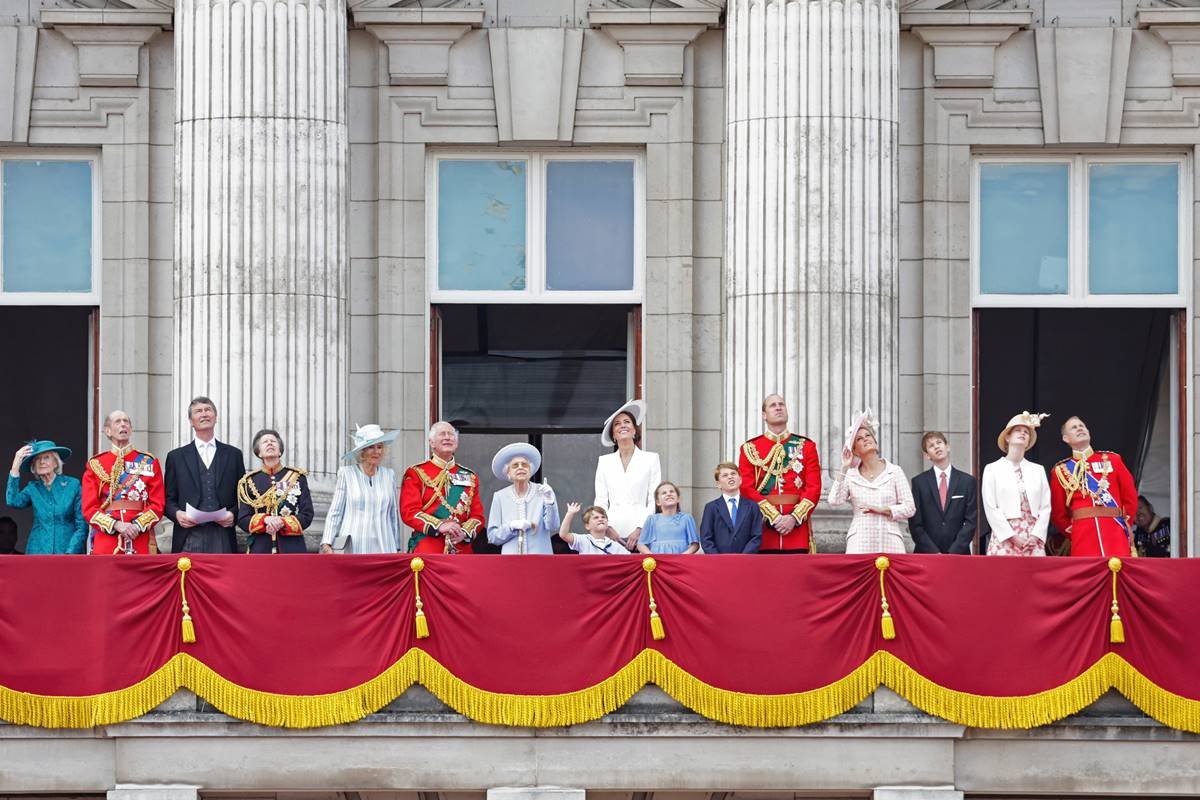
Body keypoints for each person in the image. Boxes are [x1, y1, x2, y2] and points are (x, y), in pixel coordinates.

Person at [738, 394, 822, 553]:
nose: (778, 407)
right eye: (773, 405)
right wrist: (774, 517)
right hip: (763, 531)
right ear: (764, 415)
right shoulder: (750, 448)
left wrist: (794, 518)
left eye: (781, 404)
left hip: (796, 531)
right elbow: (746, 489)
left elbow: (813, 488)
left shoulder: (806, 446)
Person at [164, 397, 246, 554]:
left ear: (215, 417)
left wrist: (233, 514)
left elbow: (243, 496)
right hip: (188, 535)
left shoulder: (233, 455)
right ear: (191, 421)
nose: (204, 414)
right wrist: (177, 514)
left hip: (222, 534)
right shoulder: (176, 457)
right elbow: (168, 498)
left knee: (224, 578)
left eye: (208, 410)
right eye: (198, 411)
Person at [828, 409, 915, 554]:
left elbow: (910, 507)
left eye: (868, 435)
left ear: (875, 441)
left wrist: (885, 510)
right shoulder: (851, 474)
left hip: (890, 541)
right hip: (860, 542)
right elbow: (834, 500)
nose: (865, 439)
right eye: (859, 439)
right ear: (855, 450)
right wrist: (844, 466)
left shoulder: (894, 471)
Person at [1049, 416, 1136, 558]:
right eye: (1074, 427)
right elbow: (1059, 514)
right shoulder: (1060, 470)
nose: (1079, 428)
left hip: (1115, 532)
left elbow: (1130, 497)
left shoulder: (1113, 460)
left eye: (1082, 425)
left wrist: (1123, 526)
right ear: (1066, 439)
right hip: (1083, 537)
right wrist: (1075, 532)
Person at [82, 410, 165, 554]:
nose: (123, 425)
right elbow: (89, 508)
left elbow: (158, 504)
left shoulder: (148, 461)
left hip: (139, 537)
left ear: (131, 430)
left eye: (126, 421)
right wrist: (116, 525)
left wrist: (136, 526)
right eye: (118, 422)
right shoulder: (96, 464)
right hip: (108, 541)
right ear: (108, 431)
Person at [400, 421, 485, 554]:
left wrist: (464, 532)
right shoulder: (416, 472)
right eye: (442, 434)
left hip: (461, 548)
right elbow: (409, 512)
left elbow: (477, 516)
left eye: (450, 434)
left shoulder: (470, 476)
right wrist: (440, 526)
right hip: (428, 547)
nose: (447, 437)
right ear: (432, 443)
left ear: (456, 444)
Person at [320, 424, 402, 554]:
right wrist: (327, 542)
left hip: (384, 545)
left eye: (380, 447)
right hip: (353, 546)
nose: (376, 451)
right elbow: (336, 511)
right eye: (371, 447)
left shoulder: (389, 475)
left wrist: (397, 546)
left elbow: (393, 514)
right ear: (362, 452)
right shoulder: (346, 474)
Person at [981, 412, 1051, 557]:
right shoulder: (992, 468)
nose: (1023, 433)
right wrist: (1012, 537)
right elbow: (991, 507)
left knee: (1034, 578)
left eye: (1026, 432)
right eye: (1018, 430)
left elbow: (1045, 507)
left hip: (1033, 536)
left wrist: (1035, 536)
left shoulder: (1038, 470)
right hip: (1005, 536)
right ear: (1007, 437)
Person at [594, 399, 661, 550]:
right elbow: (601, 500)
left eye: (627, 422)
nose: (622, 425)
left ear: (634, 430)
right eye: (617, 424)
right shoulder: (604, 462)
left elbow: (653, 499)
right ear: (613, 434)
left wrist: (640, 529)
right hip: (612, 530)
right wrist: (606, 527)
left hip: (642, 530)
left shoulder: (651, 459)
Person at [236, 429, 314, 554]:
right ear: (259, 453)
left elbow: (307, 514)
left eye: (273, 441)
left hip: (292, 548)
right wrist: (265, 520)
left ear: (280, 450)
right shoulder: (248, 482)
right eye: (265, 442)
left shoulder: (297, 477)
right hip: (261, 548)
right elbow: (243, 519)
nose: (270, 443)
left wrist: (282, 522)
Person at [6, 441, 87, 554]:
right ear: (33, 466)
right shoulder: (32, 488)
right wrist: (16, 465)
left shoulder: (73, 485)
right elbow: (12, 501)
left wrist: (70, 552)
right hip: (37, 551)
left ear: (56, 463)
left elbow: (82, 525)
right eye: (37, 459)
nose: (42, 462)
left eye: (46, 457)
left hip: (66, 549)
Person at [908, 431, 978, 554]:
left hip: (959, 554)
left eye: (939, 442)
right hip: (927, 554)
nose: (936, 446)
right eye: (931, 446)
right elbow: (915, 524)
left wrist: (954, 552)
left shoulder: (967, 481)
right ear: (927, 455)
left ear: (947, 447)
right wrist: (934, 553)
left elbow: (971, 521)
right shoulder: (919, 483)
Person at [486, 442, 560, 554]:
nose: (520, 467)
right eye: (515, 465)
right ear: (508, 473)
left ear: (530, 470)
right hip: (511, 561)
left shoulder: (544, 491)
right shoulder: (499, 496)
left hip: (540, 559)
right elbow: (492, 537)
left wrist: (550, 501)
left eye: (524, 465)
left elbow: (553, 526)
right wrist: (510, 527)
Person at [700, 462, 764, 554]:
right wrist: (717, 559)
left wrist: (743, 557)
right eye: (725, 475)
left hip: (746, 561)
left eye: (733, 473)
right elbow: (706, 538)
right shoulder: (711, 508)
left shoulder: (752, 506)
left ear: (740, 479)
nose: (730, 477)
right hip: (719, 562)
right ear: (718, 484)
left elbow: (756, 536)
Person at [637, 481, 700, 555]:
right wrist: (651, 555)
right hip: (658, 563)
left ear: (678, 498)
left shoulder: (686, 518)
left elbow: (695, 544)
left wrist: (683, 556)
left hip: (680, 562)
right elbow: (641, 544)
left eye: (671, 491)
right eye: (664, 493)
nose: (669, 494)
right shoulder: (652, 520)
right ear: (658, 502)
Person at [558, 502, 630, 555]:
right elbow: (563, 535)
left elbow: (631, 559)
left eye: (603, 517)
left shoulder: (615, 545)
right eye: (596, 518)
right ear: (587, 526)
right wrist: (570, 514)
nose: (600, 519)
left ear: (607, 522)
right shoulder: (583, 540)